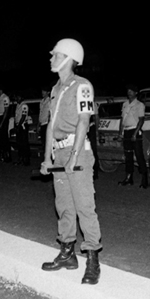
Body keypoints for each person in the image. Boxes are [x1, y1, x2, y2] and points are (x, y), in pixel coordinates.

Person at [40, 38, 102, 285]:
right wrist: (47, 157)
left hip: (78, 153)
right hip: (60, 153)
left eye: (55, 55)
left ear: (67, 58)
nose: (51, 58)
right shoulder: (55, 89)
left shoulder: (83, 86)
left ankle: (92, 259)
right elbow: (51, 127)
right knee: (64, 205)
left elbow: (84, 122)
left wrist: (74, 156)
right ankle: (67, 254)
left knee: (84, 206)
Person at [118, 84, 148, 188]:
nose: (129, 92)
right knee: (128, 156)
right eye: (128, 90)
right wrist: (120, 133)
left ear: (136, 93)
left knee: (139, 156)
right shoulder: (125, 104)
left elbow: (141, 120)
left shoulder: (139, 105)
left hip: (135, 130)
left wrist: (135, 133)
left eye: (132, 90)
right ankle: (128, 177)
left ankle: (145, 179)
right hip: (126, 130)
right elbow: (122, 119)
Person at [0, 88, 12, 162]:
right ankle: (1, 155)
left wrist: (2, 122)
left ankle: (7, 156)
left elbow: (6, 111)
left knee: (4, 138)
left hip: (3, 117)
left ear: (0, 90)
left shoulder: (5, 98)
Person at [13, 94, 30, 166]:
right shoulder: (18, 105)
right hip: (18, 125)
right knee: (19, 143)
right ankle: (20, 159)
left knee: (24, 143)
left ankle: (25, 160)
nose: (17, 98)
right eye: (16, 97)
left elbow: (23, 116)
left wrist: (18, 126)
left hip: (22, 126)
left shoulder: (24, 105)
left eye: (18, 96)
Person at [38, 86, 51, 160]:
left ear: (48, 92)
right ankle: (45, 160)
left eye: (44, 91)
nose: (42, 92)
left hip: (47, 124)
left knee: (47, 143)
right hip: (42, 123)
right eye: (42, 91)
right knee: (43, 143)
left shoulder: (49, 101)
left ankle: (48, 160)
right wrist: (38, 124)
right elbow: (41, 113)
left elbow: (50, 114)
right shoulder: (42, 101)